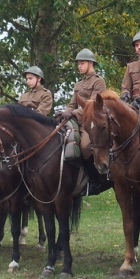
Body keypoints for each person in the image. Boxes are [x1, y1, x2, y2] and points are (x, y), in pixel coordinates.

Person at [57, 49, 108, 195]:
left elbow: (92, 106)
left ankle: (95, 180)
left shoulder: (98, 81)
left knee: (85, 147)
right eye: (78, 63)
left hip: (90, 122)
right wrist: (65, 112)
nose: (79, 66)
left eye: (82, 63)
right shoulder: (78, 84)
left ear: (90, 63)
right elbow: (72, 104)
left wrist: (73, 113)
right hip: (76, 120)